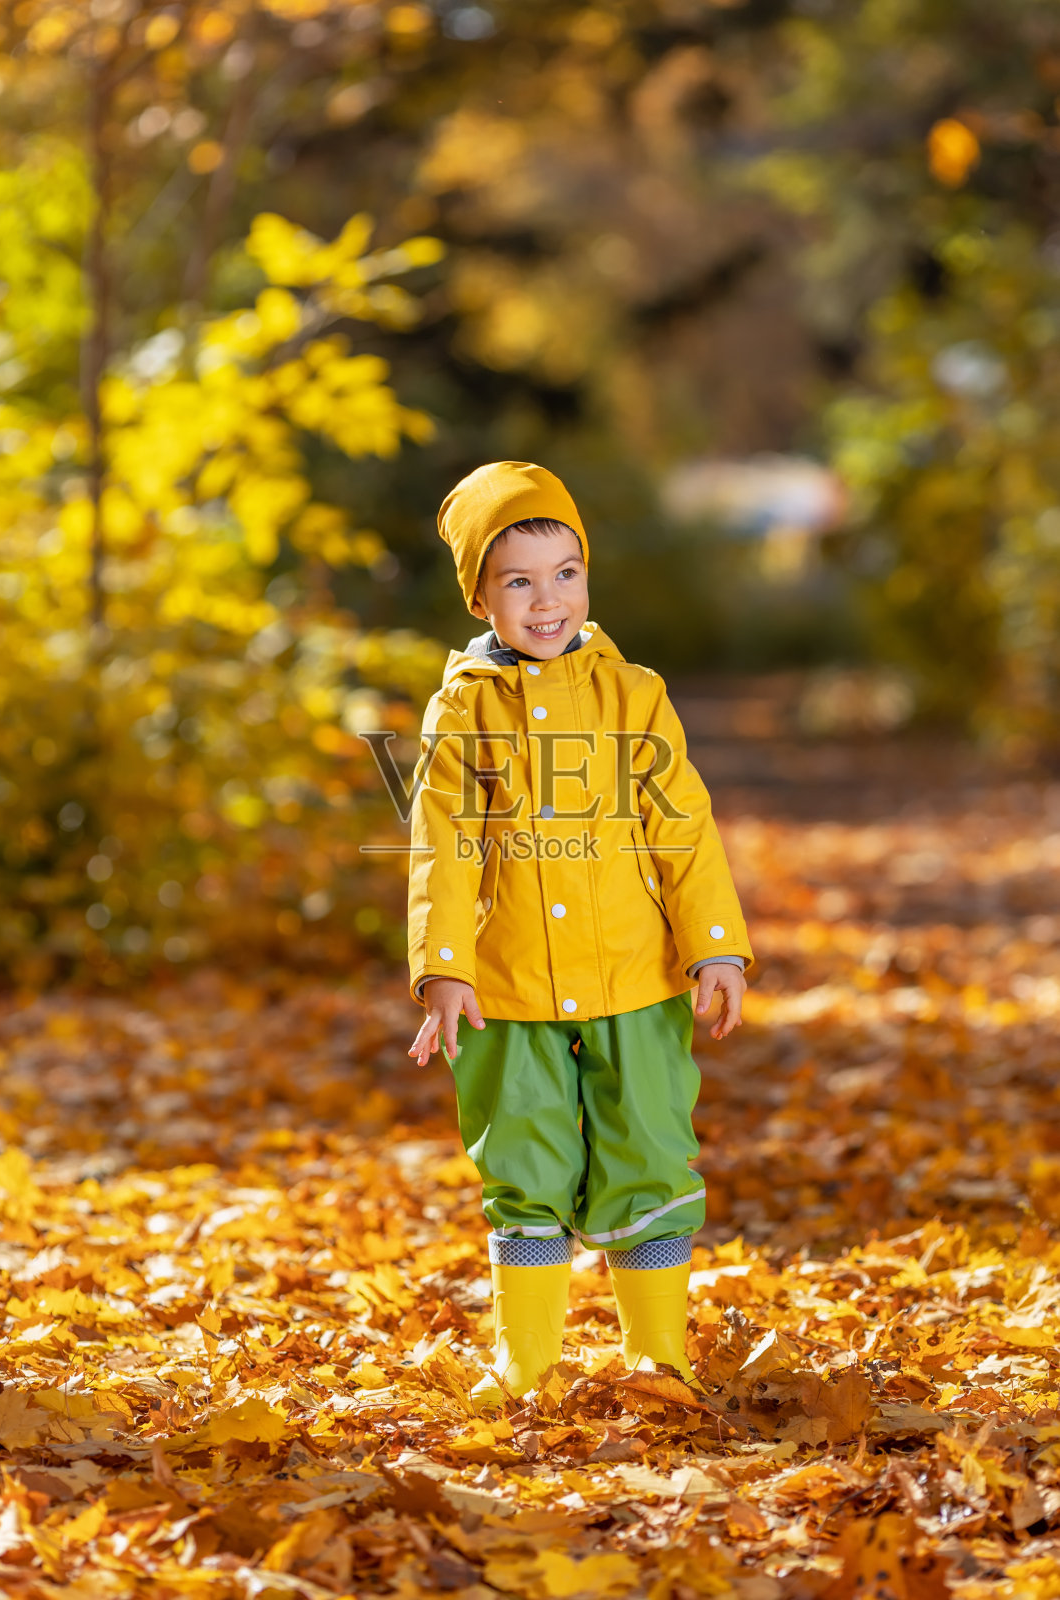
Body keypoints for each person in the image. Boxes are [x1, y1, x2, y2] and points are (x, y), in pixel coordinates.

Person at [406, 461, 753, 1410]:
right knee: (522, 1163)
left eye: (566, 572)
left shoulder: (633, 695)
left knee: (647, 1153)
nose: (546, 599)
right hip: (506, 983)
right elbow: (443, 844)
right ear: (480, 595)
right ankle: (527, 1364)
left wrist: (713, 943)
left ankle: (658, 1358)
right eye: (517, 581)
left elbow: (681, 824)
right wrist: (443, 967)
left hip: (632, 979)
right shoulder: (463, 709)